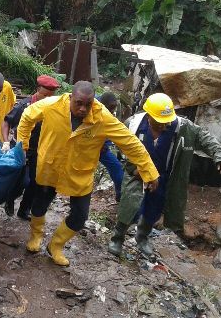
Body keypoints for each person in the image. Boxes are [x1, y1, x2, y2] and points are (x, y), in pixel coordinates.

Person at [17, 81, 158, 266]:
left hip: (80, 173)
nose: (83, 109)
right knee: (39, 204)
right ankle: (36, 236)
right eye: (79, 103)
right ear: (70, 98)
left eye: (88, 104)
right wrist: (22, 146)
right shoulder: (51, 105)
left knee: (80, 216)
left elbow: (129, 142)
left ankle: (56, 246)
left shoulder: (102, 117)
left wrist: (149, 170)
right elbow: (27, 116)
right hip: (50, 166)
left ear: (94, 101)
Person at [108, 93, 221, 257]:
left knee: (154, 208)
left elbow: (205, 138)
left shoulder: (183, 127)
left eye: (167, 122)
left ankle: (142, 236)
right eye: (160, 122)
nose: (165, 126)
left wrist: (220, 156)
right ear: (149, 116)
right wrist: (133, 169)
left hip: (164, 177)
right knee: (129, 203)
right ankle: (118, 238)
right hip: (138, 174)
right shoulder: (133, 124)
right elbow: (119, 148)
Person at [2, 75, 60, 220]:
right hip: (21, 149)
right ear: (37, 89)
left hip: (40, 151)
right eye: (45, 95)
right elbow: (6, 121)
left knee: (35, 182)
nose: (48, 99)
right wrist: (6, 142)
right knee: (20, 181)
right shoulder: (24, 106)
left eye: (51, 96)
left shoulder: (52, 108)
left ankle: (24, 210)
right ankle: (9, 198)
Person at [97, 92, 125, 202]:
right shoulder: (90, 107)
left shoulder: (107, 111)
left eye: (114, 109)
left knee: (117, 168)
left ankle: (120, 195)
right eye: (111, 108)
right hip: (87, 146)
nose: (112, 111)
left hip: (102, 147)